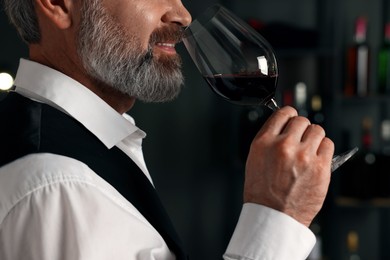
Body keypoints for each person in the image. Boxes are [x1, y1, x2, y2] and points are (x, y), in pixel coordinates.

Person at [0, 0, 334, 259]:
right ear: (58, 4)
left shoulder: (68, 145)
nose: (182, 15)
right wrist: (278, 215)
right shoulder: (60, 186)